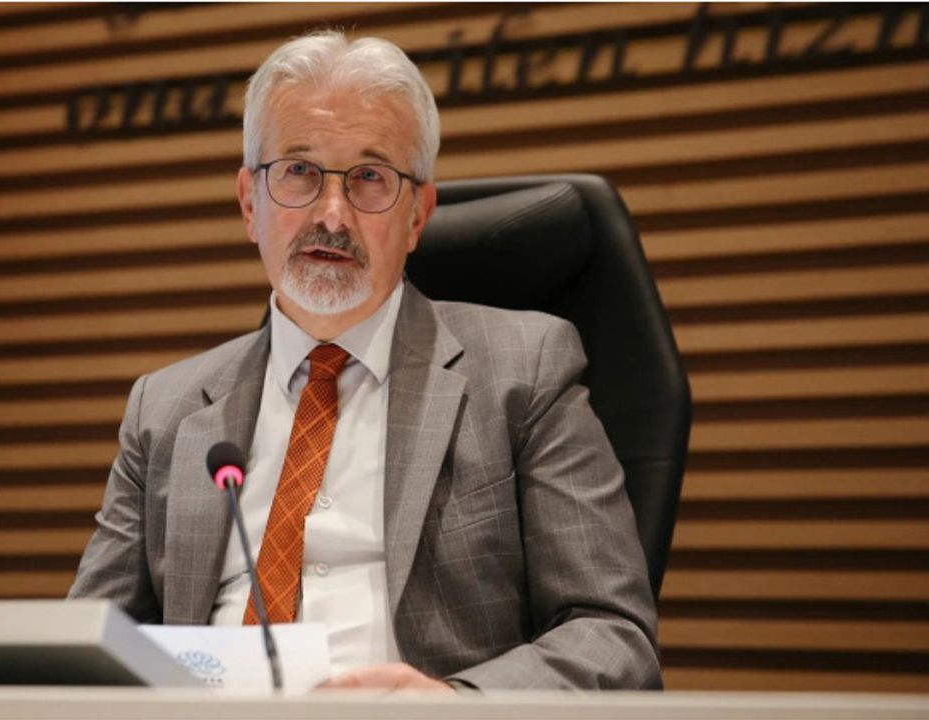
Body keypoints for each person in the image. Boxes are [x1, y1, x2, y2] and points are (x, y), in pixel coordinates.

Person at [70, 30, 660, 691]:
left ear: (417, 216)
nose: (332, 215)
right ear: (249, 203)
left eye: (370, 178)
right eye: (298, 171)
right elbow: (83, 653)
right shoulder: (165, 409)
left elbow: (613, 636)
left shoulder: (524, 373)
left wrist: (455, 702)